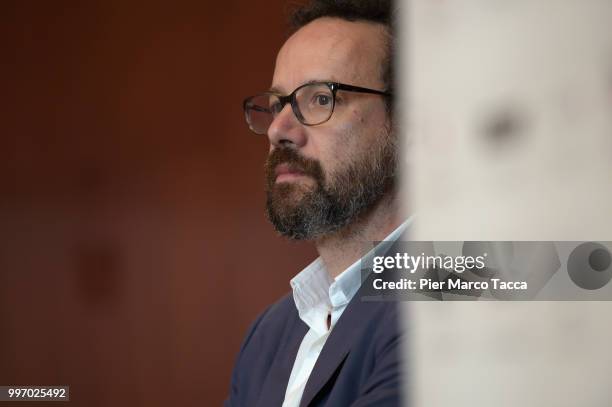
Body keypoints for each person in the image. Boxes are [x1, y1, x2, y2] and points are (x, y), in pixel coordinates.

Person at [227, 1, 408, 406]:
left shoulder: (451, 293)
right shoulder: (268, 336)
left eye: (321, 99)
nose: (277, 130)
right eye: (277, 105)